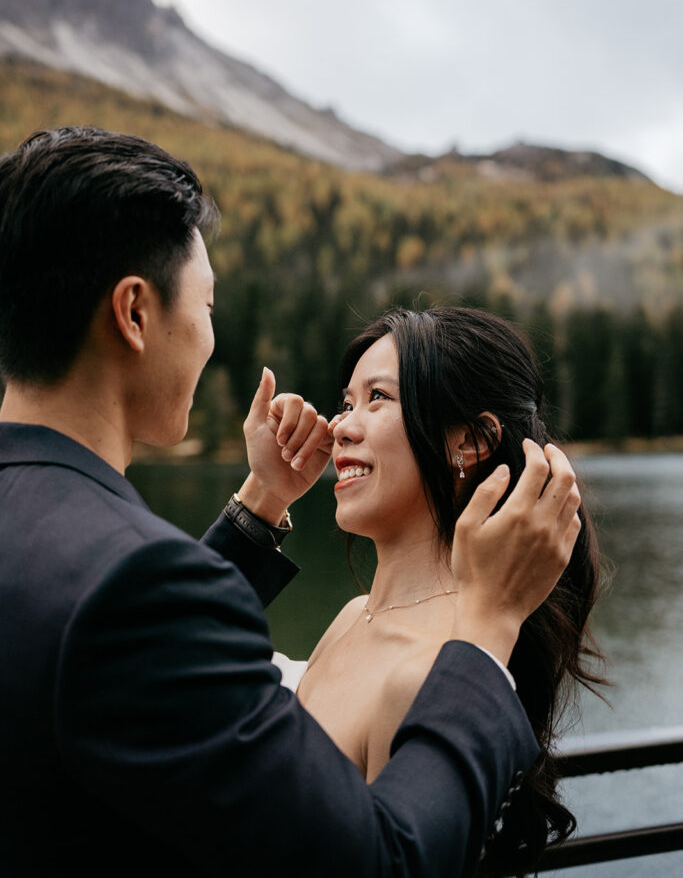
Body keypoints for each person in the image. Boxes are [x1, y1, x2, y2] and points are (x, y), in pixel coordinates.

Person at [0, 127, 580, 878]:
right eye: (206, 307)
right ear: (135, 314)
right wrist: (487, 629)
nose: (210, 338)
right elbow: (382, 863)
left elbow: (114, 656)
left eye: (377, 398)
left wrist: (264, 498)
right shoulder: (145, 590)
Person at [295, 306, 606, 876]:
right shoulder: (352, 616)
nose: (341, 425)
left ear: (469, 441)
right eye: (346, 402)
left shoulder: (429, 672)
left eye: (378, 398)